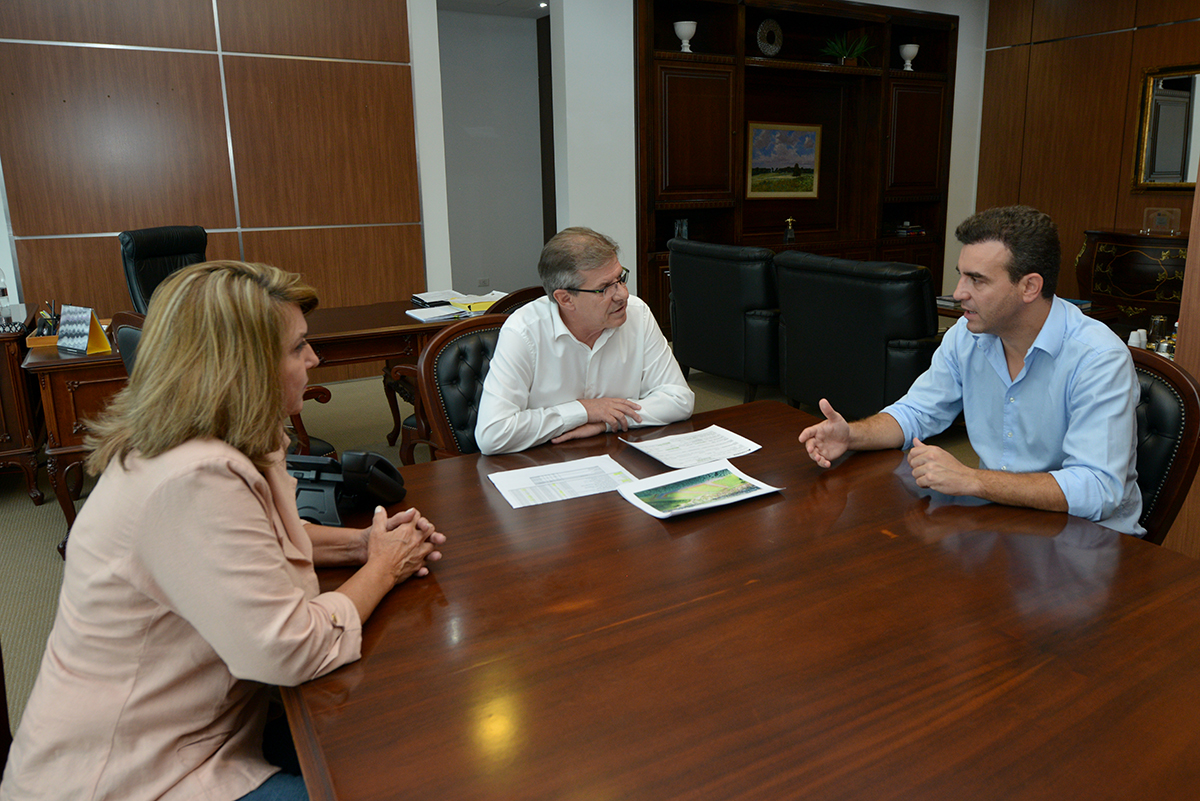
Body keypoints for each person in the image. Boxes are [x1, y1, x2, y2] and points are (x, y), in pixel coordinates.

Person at [1, 262, 446, 801]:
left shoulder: (205, 442)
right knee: (409, 769)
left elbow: (260, 541)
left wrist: (360, 544)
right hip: (131, 778)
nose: (314, 359)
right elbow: (291, 649)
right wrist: (382, 568)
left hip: (199, 730)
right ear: (242, 367)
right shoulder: (192, 477)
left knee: (398, 742)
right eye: (297, 347)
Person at [798, 206, 1144, 536]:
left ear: (1029, 287)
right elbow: (917, 411)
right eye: (960, 275)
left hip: (1087, 542)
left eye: (977, 280)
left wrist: (973, 480)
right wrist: (852, 436)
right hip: (998, 520)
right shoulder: (968, 335)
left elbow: (1099, 490)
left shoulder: (1097, 358)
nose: (958, 293)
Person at [475, 227, 694, 455]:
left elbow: (679, 399)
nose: (622, 295)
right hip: (544, 464)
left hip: (617, 457)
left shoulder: (638, 315)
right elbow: (493, 434)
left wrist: (606, 421)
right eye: (604, 288)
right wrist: (583, 411)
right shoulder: (523, 331)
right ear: (566, 299)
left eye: (620, 279)